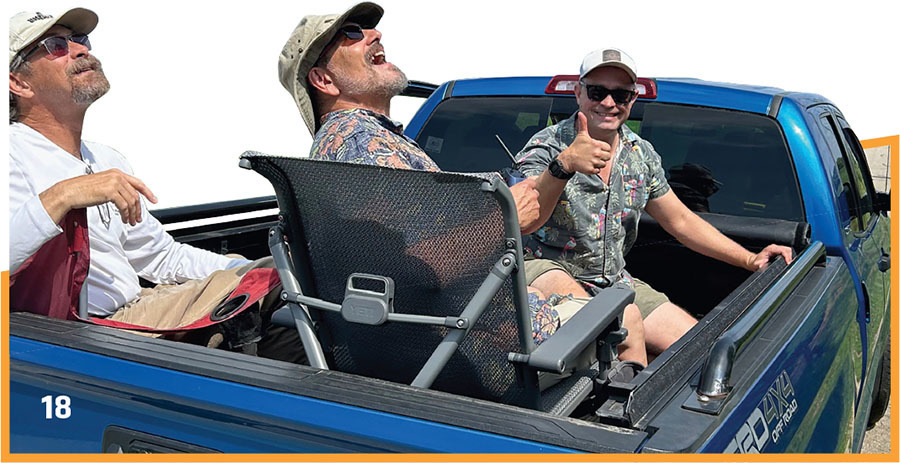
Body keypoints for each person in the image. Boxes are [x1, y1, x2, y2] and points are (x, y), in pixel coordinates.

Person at [275, 2, 648, 365]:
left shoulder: (366, 140)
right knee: (627, 318)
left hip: (470, 329)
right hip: (492, 352)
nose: (375, 33)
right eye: (351, 34)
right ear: (323, 80)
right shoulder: (360, 143)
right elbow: (407, 274)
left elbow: (407, 251)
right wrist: (503, 221)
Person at [8, 8, 302, 362]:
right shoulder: (10, 152)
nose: (80, 49)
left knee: (285, 290)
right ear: (20, 83)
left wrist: (238, 270)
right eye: (55, 45)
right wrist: (61, 195)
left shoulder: (105, 158)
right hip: (94, 333)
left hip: (142, 308)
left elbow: (159, 256)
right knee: (293, 281)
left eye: (80, 39)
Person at [515, 47, 794, 357]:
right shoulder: (547, 146)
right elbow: (526, 219)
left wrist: (749, 260)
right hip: (547, 270)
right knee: (606, 333)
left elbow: (681, 221)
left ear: (632, 101)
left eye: (620, 96)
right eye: (597, 92)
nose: (608, 103)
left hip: (612, 282)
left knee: (700, 349)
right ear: (579, 93)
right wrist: (564, 164)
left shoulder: (640, 154)